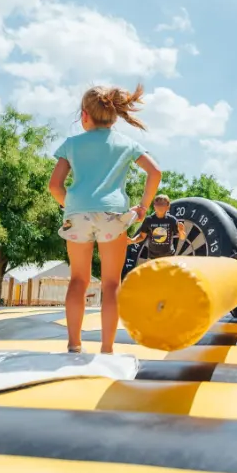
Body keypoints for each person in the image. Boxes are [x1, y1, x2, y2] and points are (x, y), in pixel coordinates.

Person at [49, 84, 162, 354]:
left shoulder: (72, 144)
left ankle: (74, 345)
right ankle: (107, 349)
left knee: (78, 280)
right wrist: (144, 207)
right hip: (113, 216)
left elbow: (55, 186)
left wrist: (72, 206)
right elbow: (155, 172)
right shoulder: (126, 144)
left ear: (85, 115)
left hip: (77, 216)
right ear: (114, 115)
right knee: (112, 283)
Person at [129, 194, 186, 262]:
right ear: (154, 206)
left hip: (169, 257)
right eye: (158, 204)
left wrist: (181, 231)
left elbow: (182, 237)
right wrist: (132, 241)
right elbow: (141, 236)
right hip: (152, 258)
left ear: (168, 206)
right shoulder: (148, 220)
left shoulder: (172, 220)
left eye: (162, 204)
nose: (160, 206)